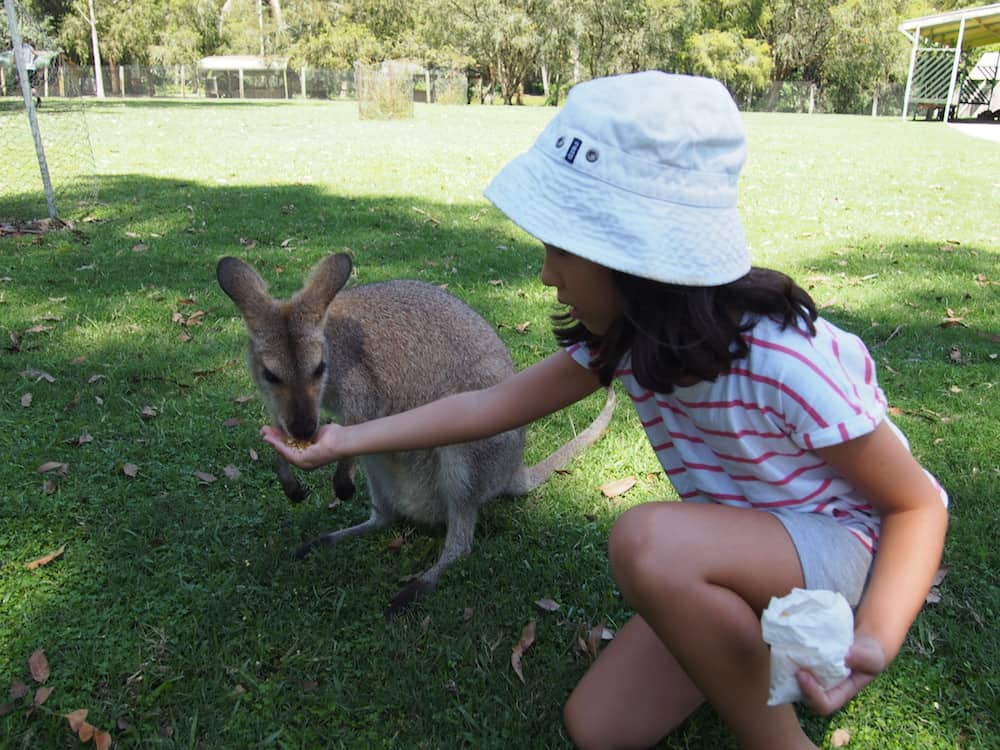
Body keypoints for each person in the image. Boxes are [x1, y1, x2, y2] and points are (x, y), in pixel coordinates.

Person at [261, 71, 948, 749]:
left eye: (562, 250)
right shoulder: (626, 342)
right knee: (598, 726)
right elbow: (487, 406)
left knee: (647, 543)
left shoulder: (781, 360)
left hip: (840, 552)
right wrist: (341, 441)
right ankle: (759, 643)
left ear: (633, 258)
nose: (546, 274)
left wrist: (875, 635)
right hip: (739, 556)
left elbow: (917, 507)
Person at [18, 39, 40, 107]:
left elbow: (14, 60)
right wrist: (32, 61)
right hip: (32, 68)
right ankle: (37, 99)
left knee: (25, 86)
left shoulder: (18, 48)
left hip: (25, 69)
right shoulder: (29, 47)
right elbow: (36, 54)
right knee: (31, 86)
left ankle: (29, 101)